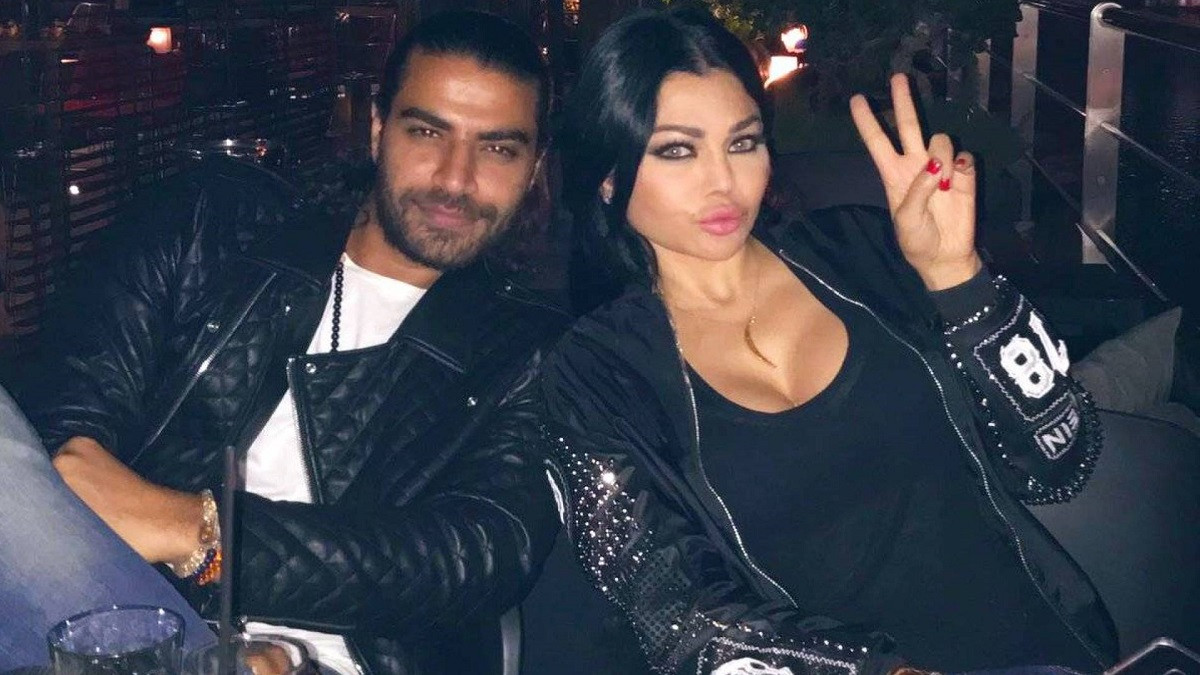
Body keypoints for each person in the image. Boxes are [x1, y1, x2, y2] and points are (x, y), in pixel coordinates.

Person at [539, 8, 1113, 675]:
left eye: (743, 142)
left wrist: (958, 279)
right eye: (677, 150)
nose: (723, 181)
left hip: (1038, 650)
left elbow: (1061, 459)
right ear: (609, 175)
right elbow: (673, 613)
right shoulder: (598, 373)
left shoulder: (863, 251)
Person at [6, 9, 566, 674]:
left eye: (498, 149)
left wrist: (202, 533)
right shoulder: (211, 226)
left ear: (534, 168)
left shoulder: (527, 351)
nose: (454, 179)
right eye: (427, 132)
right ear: (377, 128)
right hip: (116, 614)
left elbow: (474, 553)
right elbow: (63, 434)